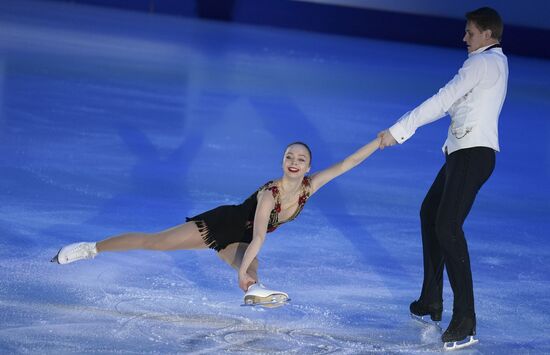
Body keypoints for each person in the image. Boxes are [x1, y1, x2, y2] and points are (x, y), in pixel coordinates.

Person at [52, 138, 381, 305]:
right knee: (155, 242)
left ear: (309, 166)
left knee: (253, 271)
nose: (294, 163)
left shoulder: (309, 187)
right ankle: (90, 248)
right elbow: (260, 238)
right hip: (223, 225)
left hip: (241, 239)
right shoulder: (271, 194)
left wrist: (381, 140)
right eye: (289, 157)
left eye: (301, 159)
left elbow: (347, 163)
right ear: (282, 162)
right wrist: (240, 269)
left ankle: (255, 290)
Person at [378, 7, 508, 349]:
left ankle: (466, 320)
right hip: (463, 154)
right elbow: (456, 103)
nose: (464, 38)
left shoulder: (481, 63)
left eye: (470, 32)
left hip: (472, 155)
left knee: (447, 227)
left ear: (487, 35)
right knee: (430, 213)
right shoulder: (493, 63)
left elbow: (442, 100)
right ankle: (431, 300)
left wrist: (399, 130)